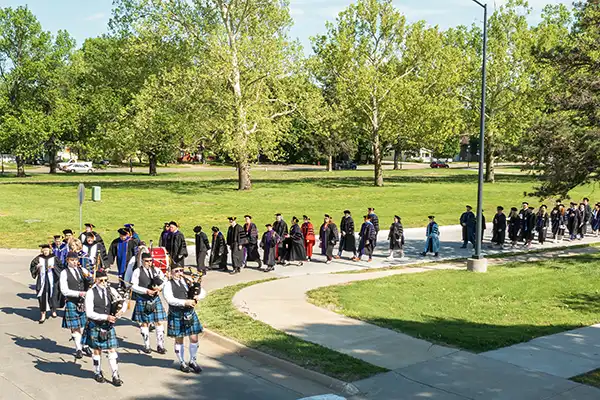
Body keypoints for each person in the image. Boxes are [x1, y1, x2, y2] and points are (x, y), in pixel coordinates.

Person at [83, 269, 127, 386]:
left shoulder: (111, 290)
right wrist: (106, 317)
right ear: (96, 280)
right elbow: (89, 313)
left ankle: (115, 375)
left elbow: (123, 302)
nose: (104, 282)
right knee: (97, 350)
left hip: (108, 326)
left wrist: (120, 311)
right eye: (101, 280)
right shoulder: (90, 293)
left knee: (112, 350)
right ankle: (97, 372)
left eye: (106, 280)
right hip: (96, 325)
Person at [163, 264, 205, 374]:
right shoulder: (168, 284)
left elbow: (202, 291)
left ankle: (193, 361)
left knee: (194, 338)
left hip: (189, 313)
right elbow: (170, 299)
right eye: (176, 271)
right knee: (179, 339)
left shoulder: (187, 281)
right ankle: (182, 362)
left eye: (181, 270)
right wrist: (185, 302)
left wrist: (197, 296)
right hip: (176, 314)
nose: (179, 273)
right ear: (171, 272)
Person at [130, 253, 167, 354]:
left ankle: (160, 345)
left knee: (159, 321)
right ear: (142, 261)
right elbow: (133, 286)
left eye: (151, 261)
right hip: (143, 298)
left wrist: (160, 287)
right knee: (144, 323)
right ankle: (147, 345)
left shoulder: (156, 270)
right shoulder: (137, 271)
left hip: (155, 299)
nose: (149, 263)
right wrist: (146, 291)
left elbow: (164, 280)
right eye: (147, 261)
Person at [60, 251, 93, 359]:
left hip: (83, 302)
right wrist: (79, 293)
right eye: (72, 260)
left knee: (85, 326)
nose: (74, 262)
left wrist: (92, 279)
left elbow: (92, 279)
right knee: (75, 327)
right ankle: (78, 348)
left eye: (76, 260)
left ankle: (86, 345)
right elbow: (64, 290)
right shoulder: (64, 273)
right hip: (72, 301)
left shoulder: (82, 270)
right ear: (67, 261)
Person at [30, 244, 62, 323]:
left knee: (53, 294)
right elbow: (32, 266)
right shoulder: (38, 258)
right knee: (42, 296)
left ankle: (53, 310)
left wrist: (54, 267)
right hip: (42, 280)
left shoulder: (54, 258)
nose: (45, 252)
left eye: (47, 250)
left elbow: (61, 266)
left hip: (53, 279)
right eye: (44, 250)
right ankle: (43, 314)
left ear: (49, 250)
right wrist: (37, 267)